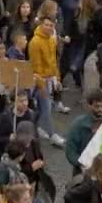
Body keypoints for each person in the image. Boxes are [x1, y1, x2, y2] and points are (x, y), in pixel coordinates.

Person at [28, 17, 66, 147]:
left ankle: (32, 128)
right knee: (46, 108)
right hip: (40, 80)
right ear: (41, 25)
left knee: (40, 109)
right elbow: (35, 66)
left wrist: (57, 78)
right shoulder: (35, 42)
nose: (50, 28)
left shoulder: (51, 40)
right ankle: (52, 135)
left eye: (52, 26)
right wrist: (42, 85)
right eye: (47, 25)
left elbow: (54, 62)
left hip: (49, 79)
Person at [65, 90, 102, 175]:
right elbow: (70, 151)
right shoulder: (78, 124)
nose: (100, 109)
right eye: (97, 106)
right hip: (85, 173)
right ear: (89, 105)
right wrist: (82, 164)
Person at [0, 91, 36, 159]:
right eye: (21, 101)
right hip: (11, 155)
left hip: (26, 154)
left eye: (26, 100)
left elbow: (35, 135)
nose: (25, 103)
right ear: (14, 103)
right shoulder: (5, 117)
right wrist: (8, 139)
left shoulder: (31, 115)